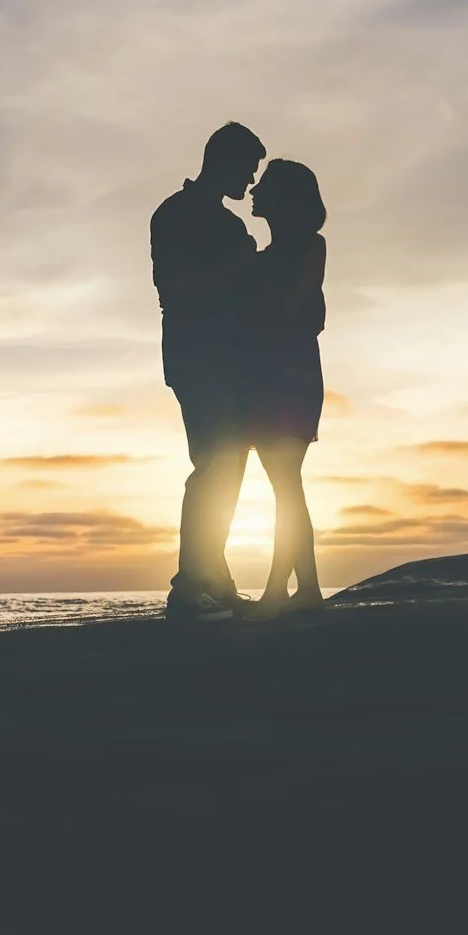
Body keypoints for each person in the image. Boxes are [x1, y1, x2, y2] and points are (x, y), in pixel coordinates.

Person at [150, 122, 265, 620]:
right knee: (213, 464)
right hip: (198, 357)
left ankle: (213, 579)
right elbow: (175, 288)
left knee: (229, 466)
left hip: (229, 359)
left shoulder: (229, 224)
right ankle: (190, 584)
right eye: (248, 169)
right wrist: (240, 266)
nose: (252, 182)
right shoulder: (175, 215)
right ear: (224, 161)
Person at [239, 158, 328, 621]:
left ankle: (284, 589)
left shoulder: (310, 247)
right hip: (267, 378)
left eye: (265, 186)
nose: (254, 191)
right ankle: (304, 587)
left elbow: (296, 308)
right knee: (285, 486)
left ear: (286, 198)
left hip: (290, 378)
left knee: (286, 484)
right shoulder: (260, 257)